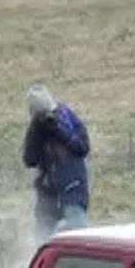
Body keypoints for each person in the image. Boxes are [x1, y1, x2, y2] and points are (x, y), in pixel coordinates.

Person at [20, 85, 90, 239]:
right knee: (42, 241)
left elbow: (82, 147)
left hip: (72, 189)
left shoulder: (67, 117)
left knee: (80, 237)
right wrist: (36, 130)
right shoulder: (36, 129)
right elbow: (29, 160)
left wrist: (58, 130)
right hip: (48, 194)